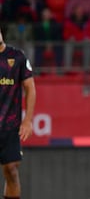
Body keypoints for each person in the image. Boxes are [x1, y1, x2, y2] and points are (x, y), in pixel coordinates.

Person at [0, 28, 36, 199]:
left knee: (11, 170)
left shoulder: (17, 57)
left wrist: (28, 121)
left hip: (9, 126)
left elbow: (30, 88)